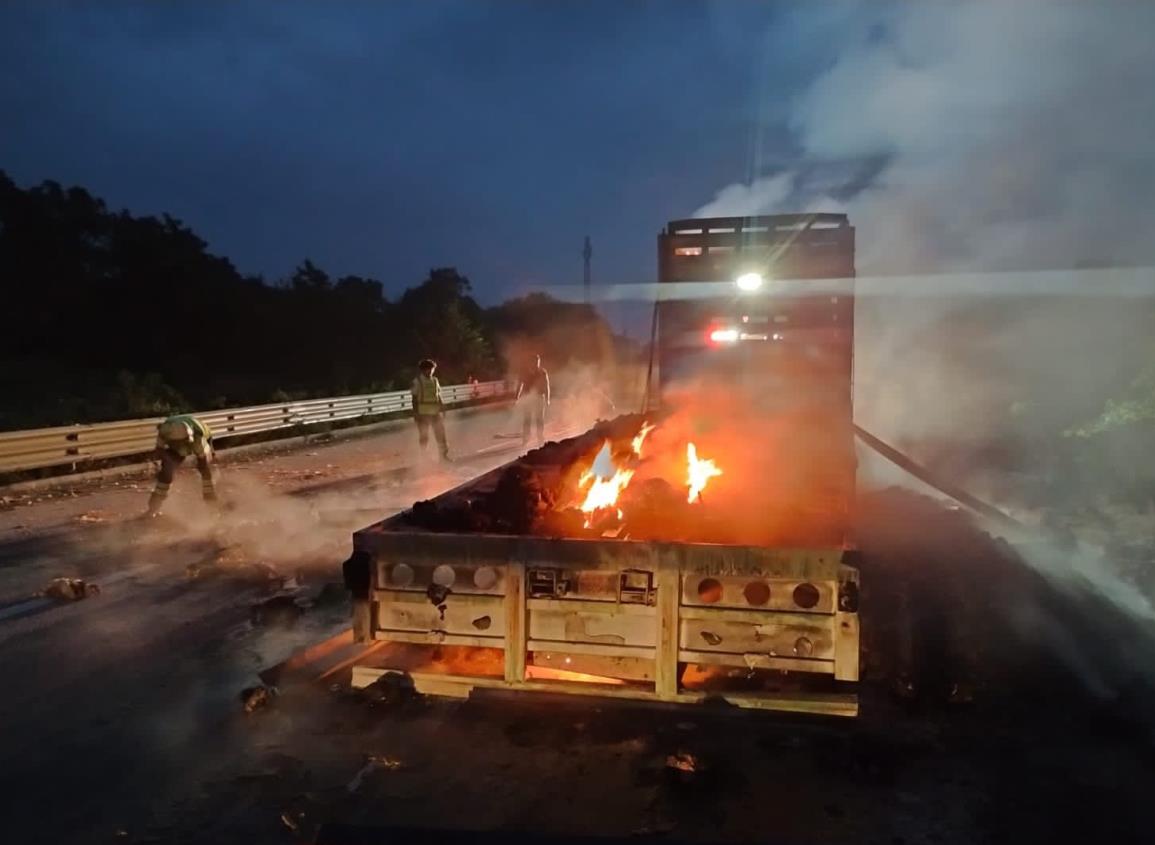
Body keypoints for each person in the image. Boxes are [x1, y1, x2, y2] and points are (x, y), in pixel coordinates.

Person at [145, 414, 218, 517]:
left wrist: (206, 462)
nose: (184, 446)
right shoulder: (164, 432)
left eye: (185, 442)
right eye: (180, 443)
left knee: (204, 469)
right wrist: (164, 468)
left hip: (202, 435)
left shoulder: (198, 438)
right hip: (174, 444)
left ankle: (211, 500)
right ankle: (154, 507)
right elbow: (159, 450)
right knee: (167, 474)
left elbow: (202, 460)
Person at [411, 358, 450, 461]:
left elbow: (438, 395)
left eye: (432, 369)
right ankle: (424, 457)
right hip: (423, 413)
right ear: (423, 370)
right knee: (424, 436)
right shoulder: (417, 381)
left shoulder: (435, 380)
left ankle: (443, 456)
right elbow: (414, 398)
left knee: (441, 435)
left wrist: (443, 407)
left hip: (435, 413)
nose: (431, 371)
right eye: (429, 369)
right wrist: (415, 413)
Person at [516, 354, 550, 446]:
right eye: (534, 361)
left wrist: (547, 399)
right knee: (527, 419)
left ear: (539, 362)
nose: (536, 363)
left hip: (539, 398)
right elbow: (520, 384)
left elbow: (546, 386)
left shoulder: (543, 372)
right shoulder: (525, 373)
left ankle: (540, 438)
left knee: (539, 419)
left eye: (537, 361)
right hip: (528, 398)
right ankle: (526, 439)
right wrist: (517, 396)